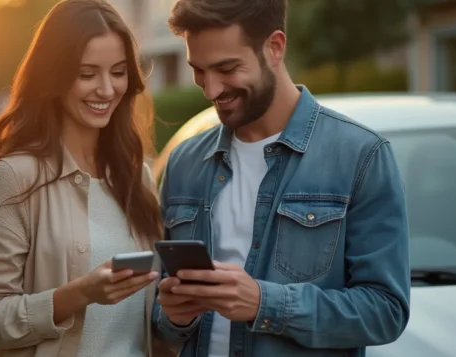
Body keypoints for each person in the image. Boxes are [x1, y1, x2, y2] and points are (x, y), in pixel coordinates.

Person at [152, 0, 411, 356]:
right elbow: (161, 315)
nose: (211, 90)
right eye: (199, 70)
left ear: (274, 47)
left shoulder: (361, 156)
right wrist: (174, 316)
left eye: (226, 68)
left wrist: (265, 303)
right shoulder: (184, 161)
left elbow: (385, 312)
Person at [0, 1, 170, 356]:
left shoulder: (139, 177)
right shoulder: (16, 176)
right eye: (87, 74)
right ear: (54, 77)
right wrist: (78, 295)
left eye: (118, 72)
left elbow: (146, 318)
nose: (106, 89)